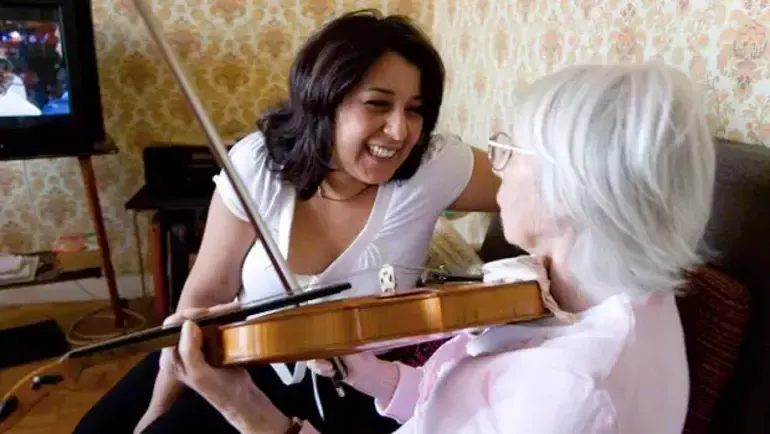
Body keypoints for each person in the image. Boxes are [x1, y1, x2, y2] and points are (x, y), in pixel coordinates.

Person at [157, 61, 717, 433]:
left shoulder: (564, 396)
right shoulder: (630, 293)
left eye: (508, 149)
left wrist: (246, 409)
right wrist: (365, 371)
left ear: (573, 189)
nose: (494, 166)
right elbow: (452, 402)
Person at [74, 9, 500, 434]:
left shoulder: (433, 164)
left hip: (360, 387)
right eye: (378, 104)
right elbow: (206, 292)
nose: (398, 130)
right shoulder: (258, 163)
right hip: (246, 358)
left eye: (415, 110)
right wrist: (157, 406)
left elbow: (538, 192)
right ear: (324, 99)